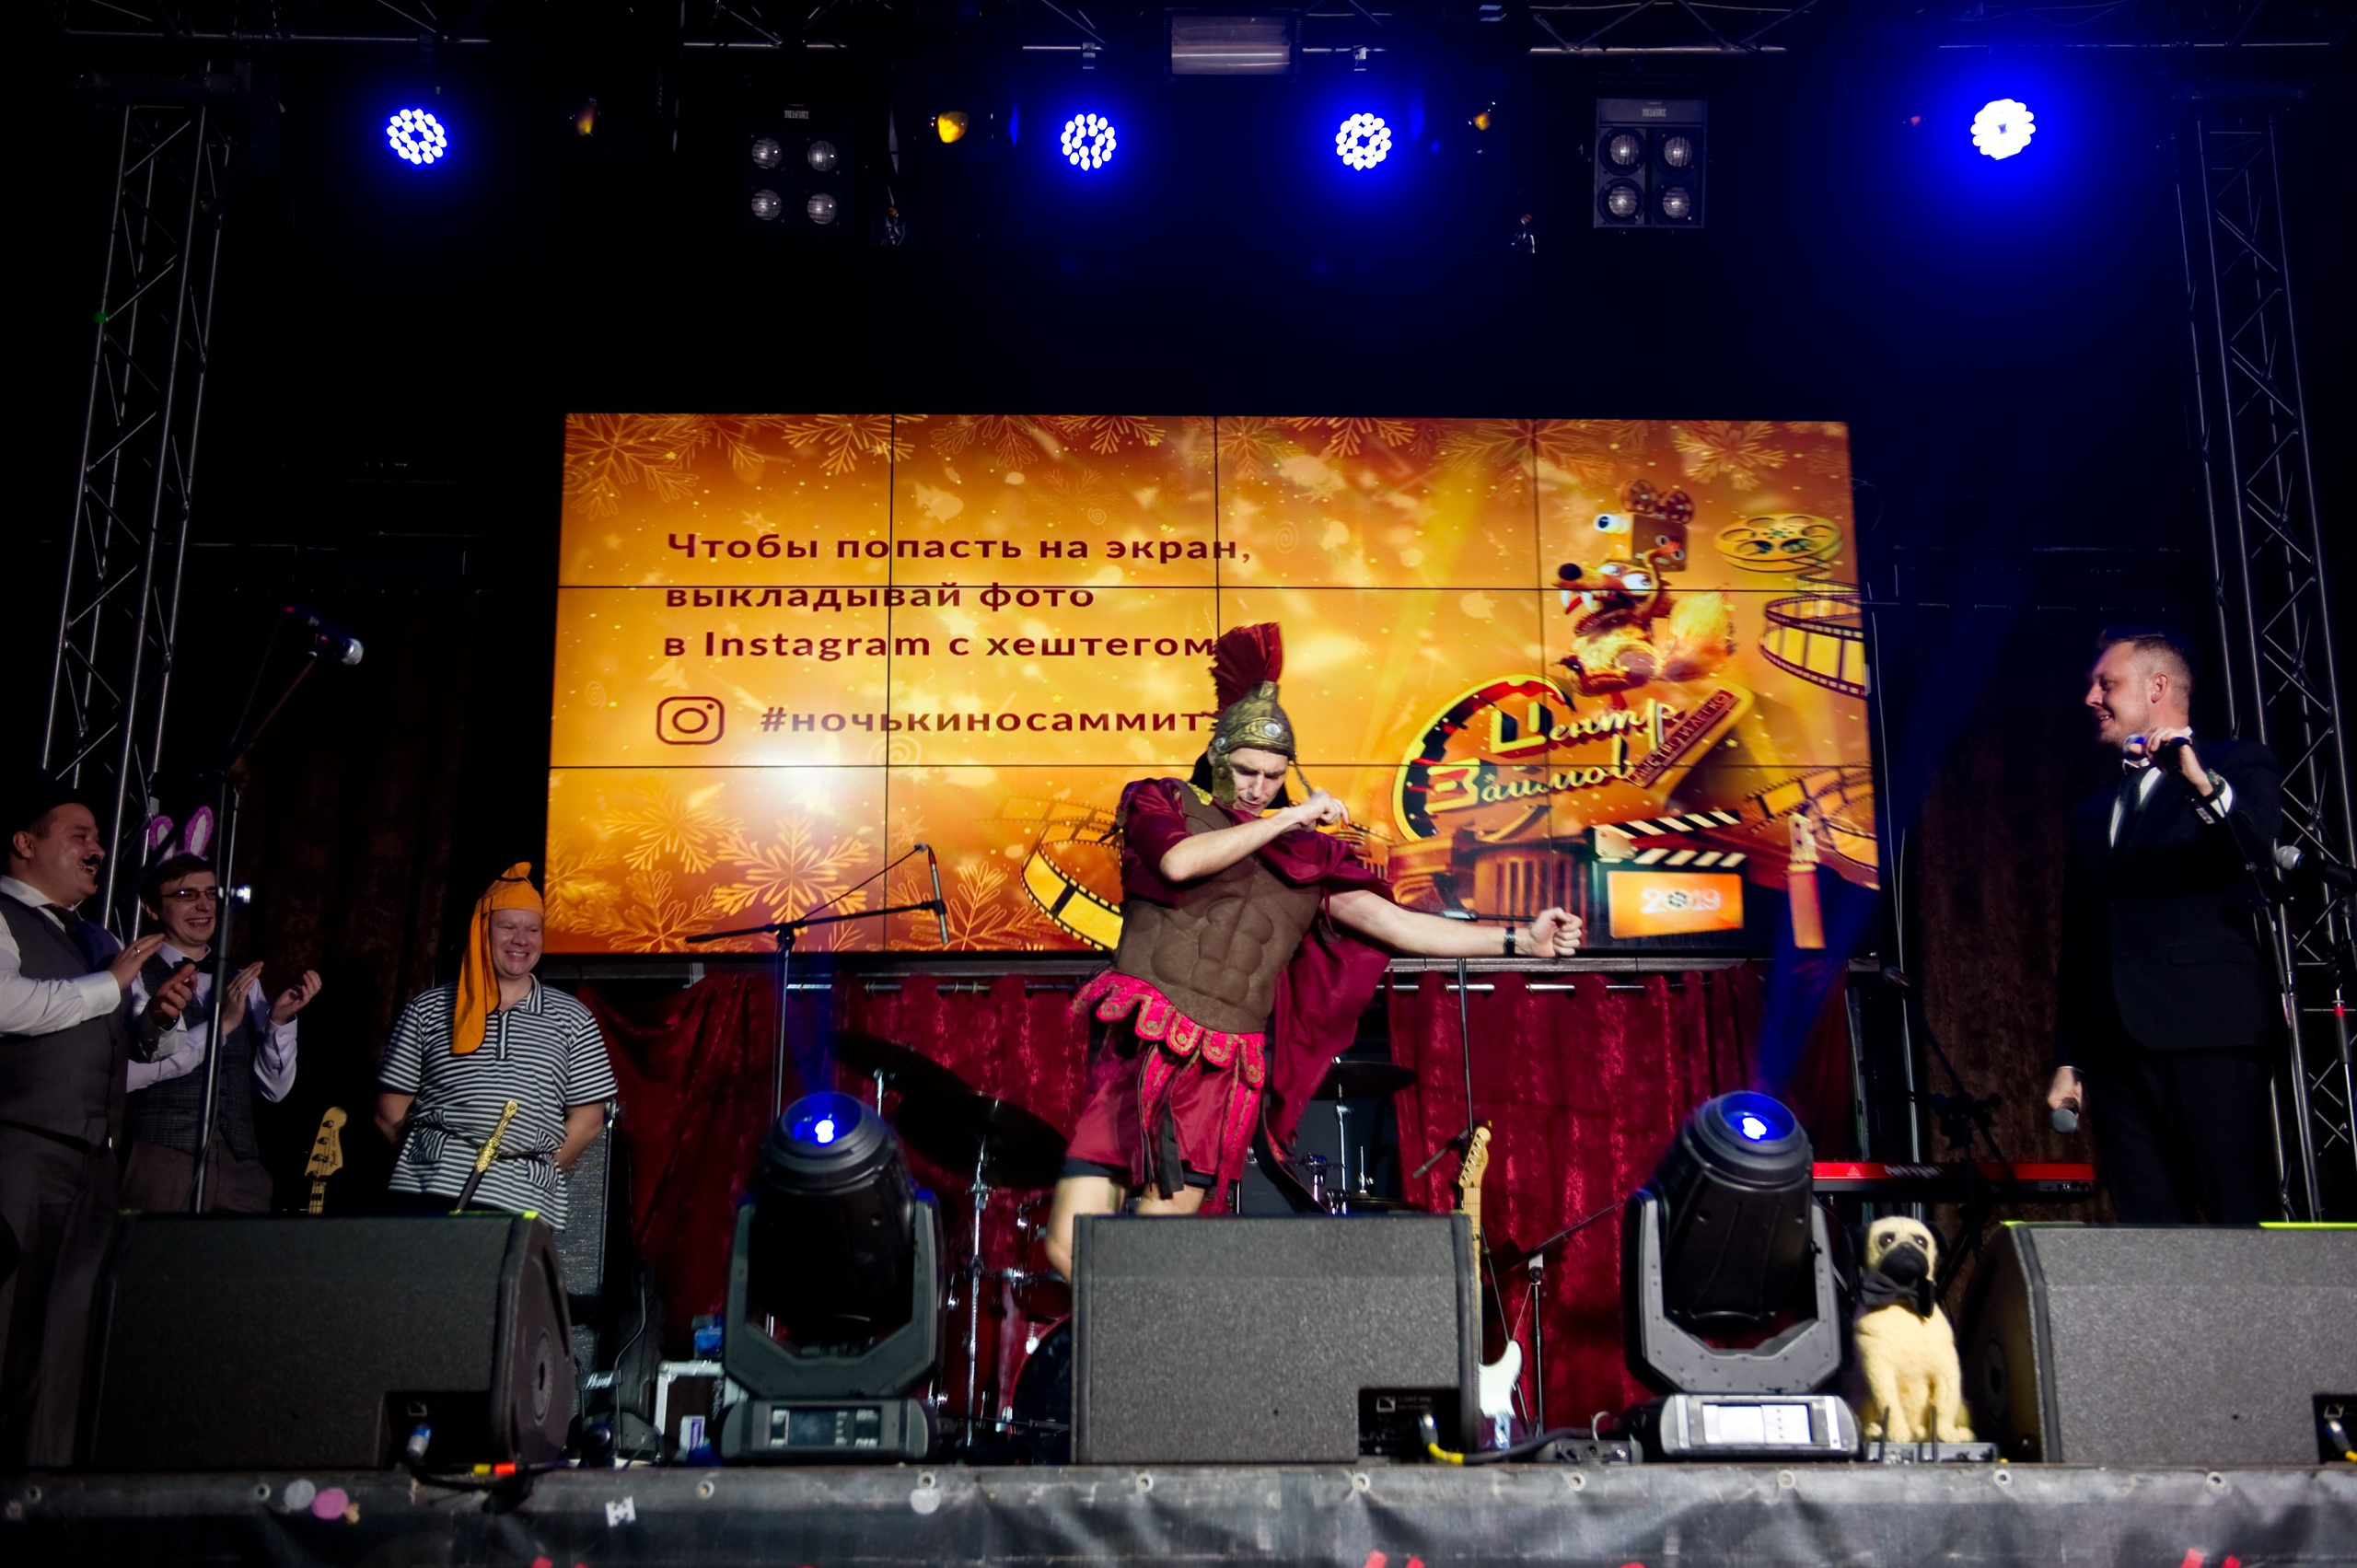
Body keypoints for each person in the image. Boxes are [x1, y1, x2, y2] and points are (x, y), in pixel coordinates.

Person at [1043, 624, 1583, 1279]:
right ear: (1217, 755)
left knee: (1150, 1255)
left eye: (1273, 776)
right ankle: (1112, 1359)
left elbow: (1396, 924)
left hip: (1217, 1066)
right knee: (1068, 1246)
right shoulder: (1167, 801)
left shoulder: (1307, 857)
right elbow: (1180, 864)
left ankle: (1136, 1367)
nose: (1258, 787)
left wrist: (1519, 939)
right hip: (1144, 1045)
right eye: (1246, 770)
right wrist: (1290, 817)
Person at [2046, 631, 2283, 1223]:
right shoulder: (2095, 811)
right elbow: (2079, 938)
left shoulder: (2235, 763)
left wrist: (2200, 781)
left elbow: (2255, 856)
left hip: (2209, 1031)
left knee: (2236, 1215)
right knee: (2151, 1231)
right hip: (2116, 1049)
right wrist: (2070, 1058)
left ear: (2157, 687)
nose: (2091, 698)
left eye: (2108, 683)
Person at [0, 776, 193, 1466]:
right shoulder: (3, 916)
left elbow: (124, 1041)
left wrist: (155, 1021)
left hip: (95, 1165)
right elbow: (11, 1005)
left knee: (62, 1349)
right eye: (78, 835)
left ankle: (38, 1498)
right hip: (20, 1155)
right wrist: (108, 984)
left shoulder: (96, 937)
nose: (98, 848)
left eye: (98, 837)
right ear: (25, 843)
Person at [374, 863, 615, 1228]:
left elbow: (589, 1119)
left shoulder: (573, 1018)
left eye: (533, 929)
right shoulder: (429, 1008)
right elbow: (390, 1107)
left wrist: (537, 1171)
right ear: (481, 932)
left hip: (523, 1200)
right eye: (508, 927)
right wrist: (432, 1158)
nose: (522, 940)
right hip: (429, 1191)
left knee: (503, 1287)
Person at [120, 852, 323, 1213]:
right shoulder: (133, 971)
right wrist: (221, 1025)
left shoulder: (241, 981)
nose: (204, 905)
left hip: (239, 1164)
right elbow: (127, 1072)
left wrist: (278, 1022)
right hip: (161, 1155)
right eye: (185, 895)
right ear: (152, 908)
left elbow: (274, 1090)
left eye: (211, 894)